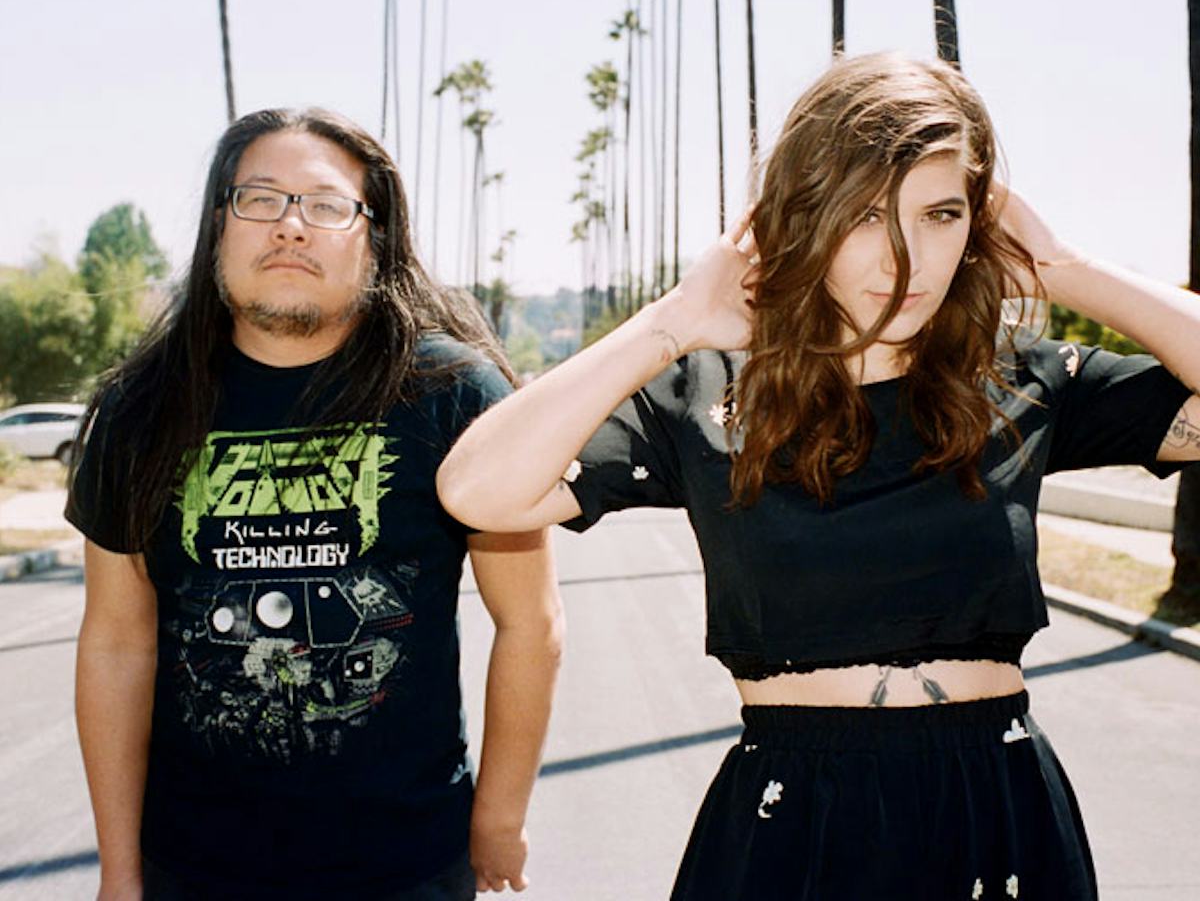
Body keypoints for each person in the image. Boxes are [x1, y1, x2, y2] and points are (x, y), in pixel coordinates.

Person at [436, 52, 1200, 899]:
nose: (903, 257)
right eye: (867, 214)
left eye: (941, 213)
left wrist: (1067, 271)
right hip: (791, 823)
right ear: (805, 216)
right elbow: (478, 490)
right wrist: (673, 321)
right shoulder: (706, 395)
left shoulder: (1021, 381)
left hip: (999, 815)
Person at [68, 107, 563, 901]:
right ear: (218, 226)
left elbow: (530, 623)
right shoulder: (141, 410)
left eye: (328, 205)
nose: (290, 226)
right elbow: (117, 643)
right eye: (259, 198)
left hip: (403, 867)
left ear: (375, 234)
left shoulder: (453, 395)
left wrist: (499, 817)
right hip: (191, 867)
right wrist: (120, 870)